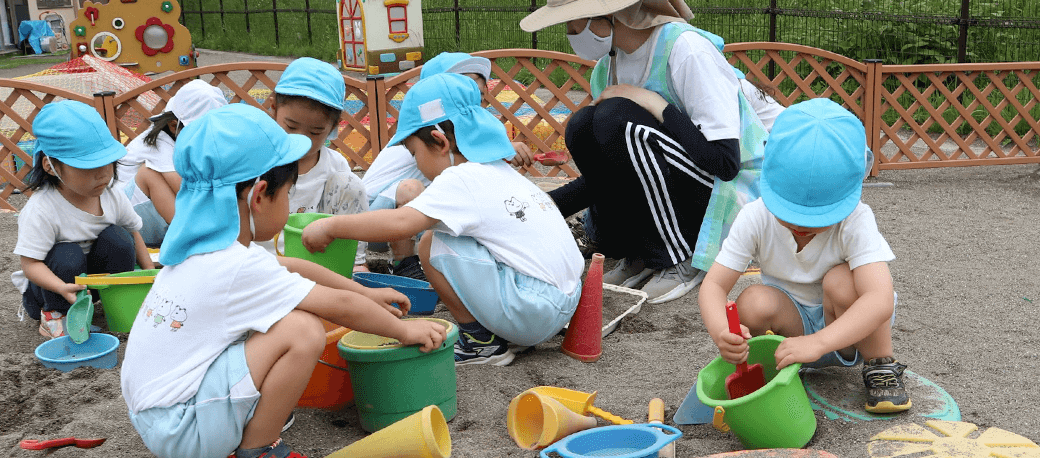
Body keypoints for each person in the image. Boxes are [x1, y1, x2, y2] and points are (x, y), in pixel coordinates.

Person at [120, 103, 447, 458]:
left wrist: (366, 292)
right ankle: (258, 448)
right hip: (183, 429)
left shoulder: (207, 249)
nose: (289, 202)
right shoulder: (235, 267)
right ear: (260, 196)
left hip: (156, 415)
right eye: (288, 193)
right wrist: (404, 331)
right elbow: (338, 307)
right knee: (301, 330)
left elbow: (291, 267)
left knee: (281, 321)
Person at [303, 73, 584, 366]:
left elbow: (401, 223)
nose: (416, 163)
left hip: (532, 311)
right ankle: (500, 331)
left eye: (414, 153)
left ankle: (480, 342)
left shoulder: (460, 178)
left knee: (431, 243)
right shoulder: (498, 170)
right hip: (566, 300)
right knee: (457, 238)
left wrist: (331, 226)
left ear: (439, 142)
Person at [521, 0, 770, 304]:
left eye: (575, 22)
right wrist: (537, 209)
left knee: (618, 120)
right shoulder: (609, 67)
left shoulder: (687, 50)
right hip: (686, 180)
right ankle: (639, 252)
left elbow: (725, 162)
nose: (570, 33)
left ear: (610, 16)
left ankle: (678, 256)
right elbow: (609, 174)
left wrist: (656, 104)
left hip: (732, 190)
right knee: (583, 126)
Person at [698, 98, 911, 414]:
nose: (800, 225)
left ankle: (880, 364)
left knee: (842, 281)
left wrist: (820, 343)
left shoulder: (856, 219)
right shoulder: (755, 216)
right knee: (753, 301)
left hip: (848, 325)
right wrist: (721, 332)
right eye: (791, 211)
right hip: (793, 328)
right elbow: (713, 287)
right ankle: (767, 364)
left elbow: (879, 300)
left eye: (817, 217)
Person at [361, 51, 535, 280]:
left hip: (406, 218)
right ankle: (405, 263)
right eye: (462, 92)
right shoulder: (423, 136)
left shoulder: (451, 135)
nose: (473, 103)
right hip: (373, 218)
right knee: (410, 189)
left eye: (479, 96)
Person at [11, 100, 154, 338]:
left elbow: (135, 233)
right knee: (68, 253)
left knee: (119, 236)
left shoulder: (111, 196)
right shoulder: (42, 209)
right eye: (88, 167)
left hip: (90, 286)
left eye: (107, 163)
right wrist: (60, 288)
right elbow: (30, 265)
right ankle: (55, 314)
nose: (103, 174)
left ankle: (112, 302)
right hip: (50, 288)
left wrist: (150, 277)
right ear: (51, 166)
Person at [265, 57, 369, 271]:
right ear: (273, 108)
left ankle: (355, 265)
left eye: (315, 132)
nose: (302, 139)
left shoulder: (334, 165)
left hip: (317, 258)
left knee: (350, 184)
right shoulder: (257, 159)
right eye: (291, 127)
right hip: (267, 262)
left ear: (332, 127)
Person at [121, 79, 228, 246]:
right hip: (126, 218)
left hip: (149, 215)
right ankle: (190, 238)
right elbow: (182, 188)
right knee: (149, 174)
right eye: (201, 134)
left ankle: (193, 236)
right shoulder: (158, 144)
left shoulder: (182, 143)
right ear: (174, 126)